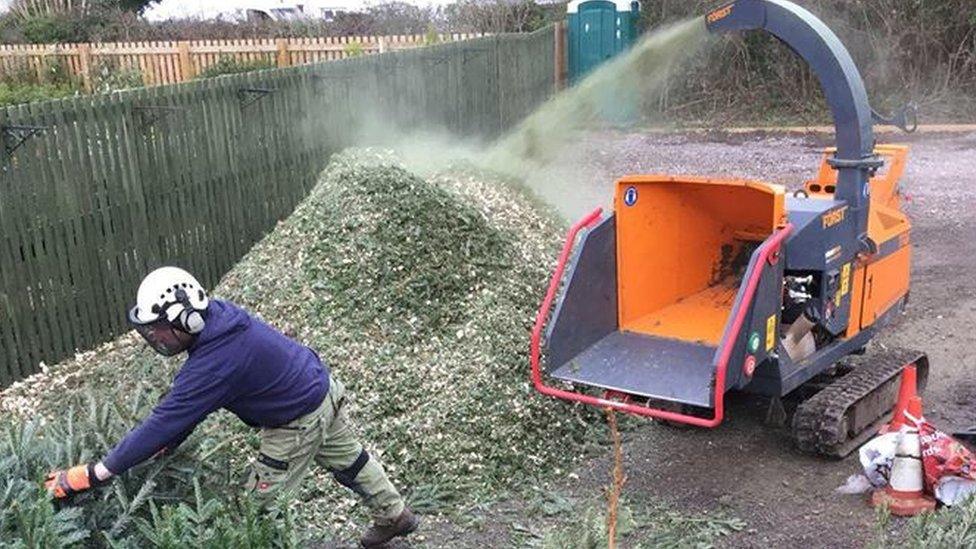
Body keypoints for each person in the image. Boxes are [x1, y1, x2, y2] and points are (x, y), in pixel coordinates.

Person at [44, 266, 418, 547]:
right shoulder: (218, 318)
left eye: (158, 327)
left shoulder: (216, 360)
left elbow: (167, 418)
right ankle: (395, 514)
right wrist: (170, 441)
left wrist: (95, 473)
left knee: (260, 505)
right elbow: (187, 413)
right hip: (319, 387)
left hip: (297, 419)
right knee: (350, 460)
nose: (153, 337)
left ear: (184, 319)